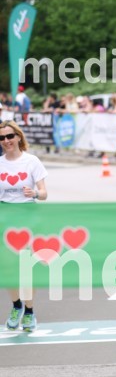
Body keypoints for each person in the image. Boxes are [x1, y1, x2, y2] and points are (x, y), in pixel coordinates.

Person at [1, 120, 48, 332]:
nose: (6, 141)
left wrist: (35, 193)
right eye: (2, 138)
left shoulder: (32, 161)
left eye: (10, 136)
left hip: (28, 217)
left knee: (27, 268)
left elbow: (44, 193)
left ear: (18, 137)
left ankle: (29, 312)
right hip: (5, 218)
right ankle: (16, 306)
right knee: (8, 268)